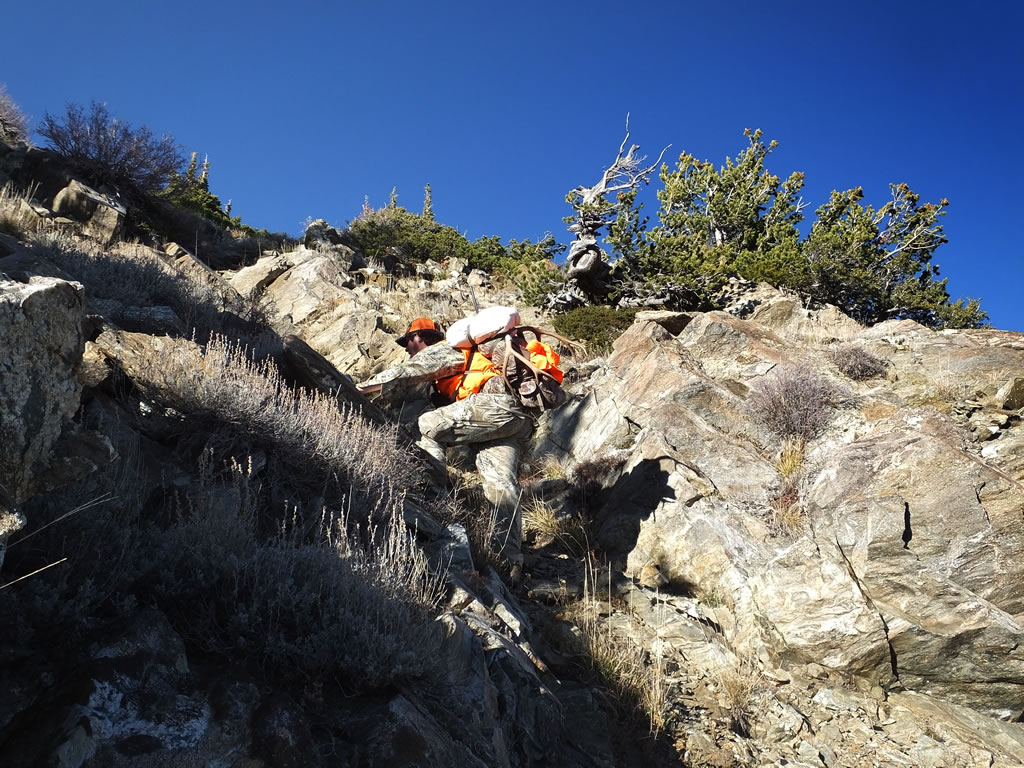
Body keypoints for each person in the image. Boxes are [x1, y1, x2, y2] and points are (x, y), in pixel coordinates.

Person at [357, 324, 533, 580]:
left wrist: (361, 388)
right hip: (517, 418)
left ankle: (433, 498)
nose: (406, 349)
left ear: (418, 338)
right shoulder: (472, 356)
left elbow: (408, 371)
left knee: (426, 426)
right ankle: (509, 563)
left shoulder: (444, 349)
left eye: (407, 343)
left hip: (494, 407)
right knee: (501, 483)